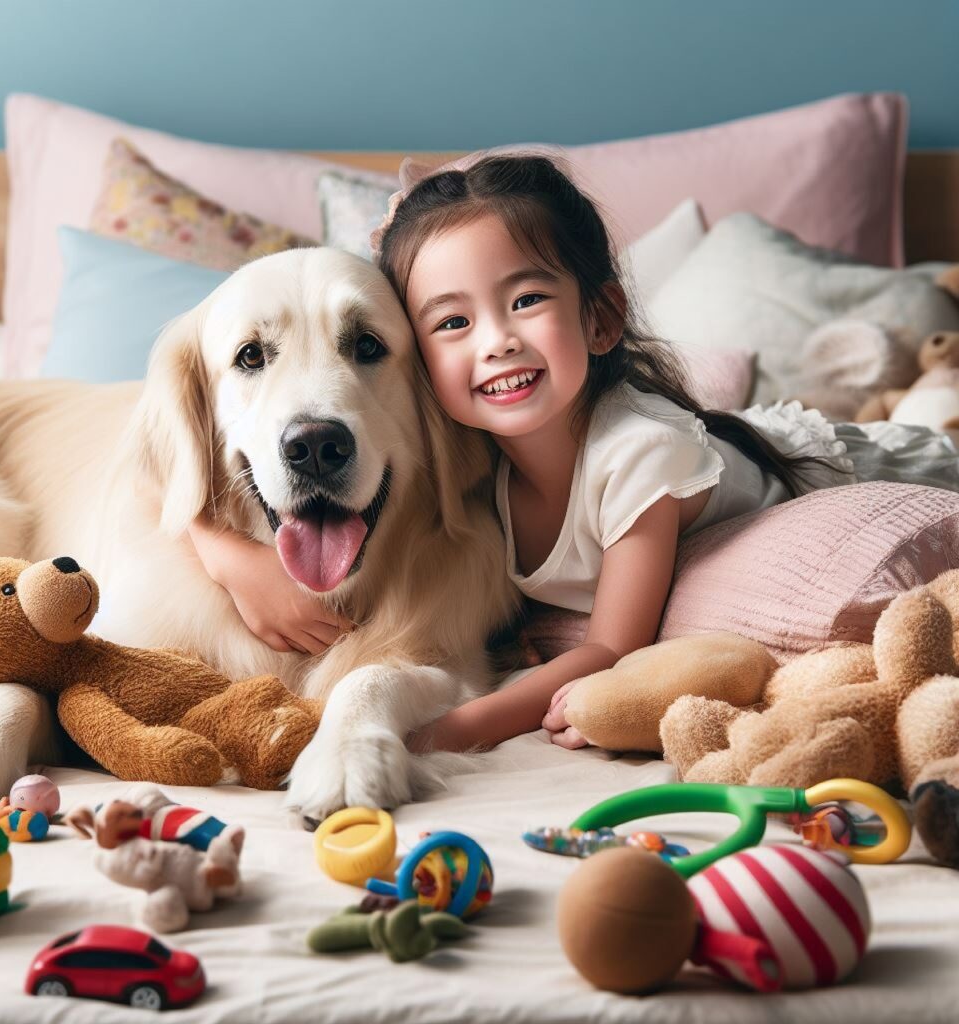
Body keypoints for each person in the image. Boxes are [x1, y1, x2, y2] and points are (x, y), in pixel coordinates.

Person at [372, 152, 959, 753]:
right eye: (452, 322)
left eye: (525, 300)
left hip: (866, 462)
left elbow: (613, 650)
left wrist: (445, 733)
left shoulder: (639, 454)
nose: (496, 342)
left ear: (600, 319)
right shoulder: (468, 463)